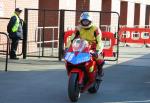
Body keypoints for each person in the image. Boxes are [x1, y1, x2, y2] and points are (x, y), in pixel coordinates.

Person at [65, 12, 104, 76]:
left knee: (99, 59)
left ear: (90, 21)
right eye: (83, 21)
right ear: (81, 21)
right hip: (82, 44)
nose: (85, 22)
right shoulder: (78, 28)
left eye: (86, 21)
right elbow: (71, 39)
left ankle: (100, 70)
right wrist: (67, 48)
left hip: (94, 45)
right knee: (74, 56)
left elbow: (99, 41)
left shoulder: (96, 29)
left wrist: (97, 51)